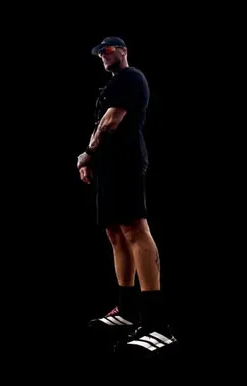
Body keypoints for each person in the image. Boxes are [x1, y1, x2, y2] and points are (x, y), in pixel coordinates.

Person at [77, 37, 178, 358]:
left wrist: (88, 153)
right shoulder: (110, 86)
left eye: (108, 50)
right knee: (115, 232)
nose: (103, 56)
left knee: (135, 229)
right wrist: (92, 160)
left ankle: (157, 323)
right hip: (108, 165)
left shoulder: (130, 77)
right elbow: (101, 123)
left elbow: (112, 121)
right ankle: (127, 309)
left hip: (126, 163)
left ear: (123, 51)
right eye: (100, 54)